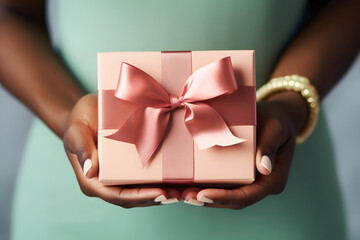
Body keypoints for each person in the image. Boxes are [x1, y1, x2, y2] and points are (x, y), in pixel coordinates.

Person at [0, 0, 359, 239]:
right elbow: (11, 15)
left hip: (283, 188)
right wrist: (66, 114)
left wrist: (288, 104)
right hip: (78, 193)